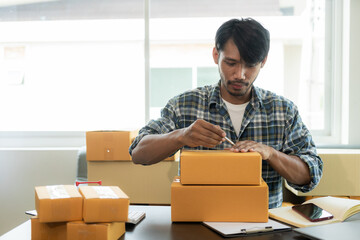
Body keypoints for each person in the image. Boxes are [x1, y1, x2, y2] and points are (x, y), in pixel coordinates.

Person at [129, 18, 323, 208]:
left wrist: (272, 154)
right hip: (199, 224)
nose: (240, 74)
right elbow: (138, 152)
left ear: (263, 61)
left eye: (250, 65)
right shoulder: (184, 105)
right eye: (231, 63)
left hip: (265, 227)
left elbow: (310, 174)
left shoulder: (283, 111)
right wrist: (182, 135)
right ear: (216, 55)